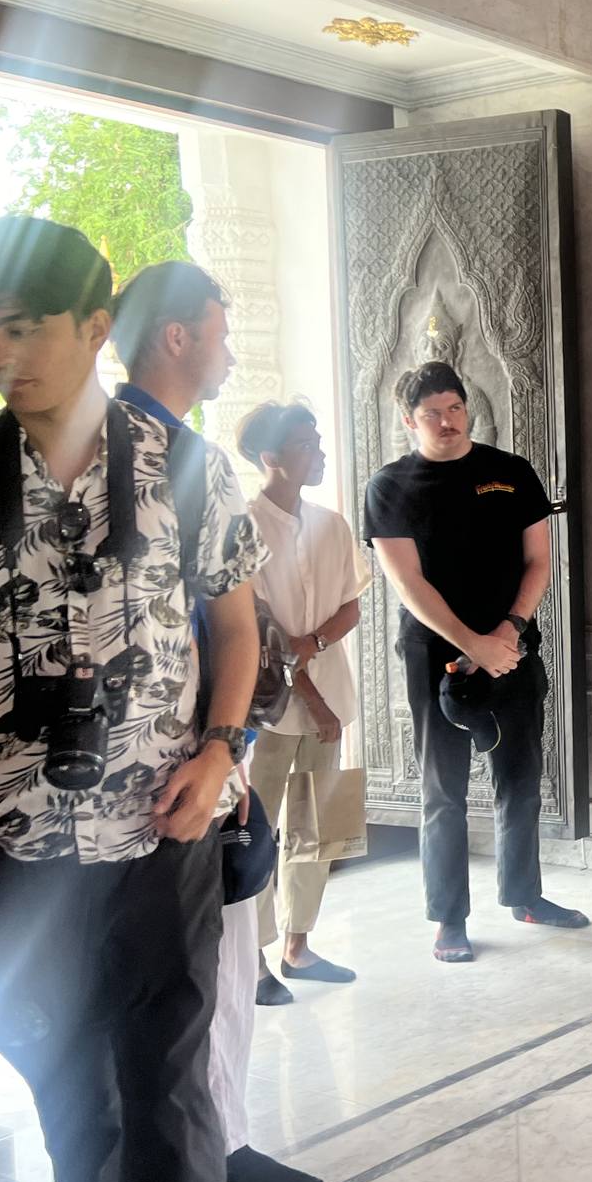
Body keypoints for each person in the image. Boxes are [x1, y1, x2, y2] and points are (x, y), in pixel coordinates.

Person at [0, 217, 265, 1182]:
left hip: (160, 826)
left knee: (165, 1076)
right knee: (62, 1072)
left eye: (24, 327)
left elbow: (238, 629)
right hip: (12, 842)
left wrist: (221, 749)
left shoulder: (186, 466)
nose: (1, 354)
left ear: (95, 326)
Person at [109, 259, 322, 1182]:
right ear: (177, 337)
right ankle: (218, 1147)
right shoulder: (178, 458)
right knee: (218, 969)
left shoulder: (99, 449)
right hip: (187, 765)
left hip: (155, 764)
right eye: (220, 332)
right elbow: (219, 628)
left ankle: (168, 1160)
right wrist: (222, 752)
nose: (229, 352)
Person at [361, 360, 585, 961]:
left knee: (521, 779)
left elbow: (539, 560)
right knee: (444, 790)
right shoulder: (389, 486)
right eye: (432, 413)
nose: (447, 421)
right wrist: (471, 643)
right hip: (435, 654)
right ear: (409, 421)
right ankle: (449, 919)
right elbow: (408, 582)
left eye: (455, 408)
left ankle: (526, 896)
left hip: (511, 646)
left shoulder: (510, 472)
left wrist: (508, 631)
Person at [239, 400, 369, 991]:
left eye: (318, 441)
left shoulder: (332, 524)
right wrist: (311, 697)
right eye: (305, 444)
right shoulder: (243, 525)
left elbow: (350, 607)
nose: (318, 452)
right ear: (270, 456)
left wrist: (313, 644)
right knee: (257, 833)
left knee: (320, 826)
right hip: (269, 709)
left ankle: (299, 947)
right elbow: (264, 631)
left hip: (331, 699)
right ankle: (254, 958)